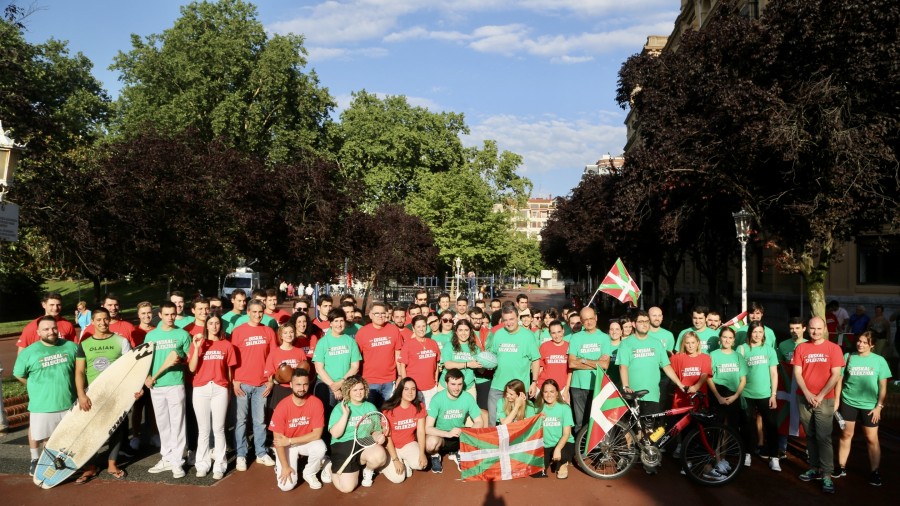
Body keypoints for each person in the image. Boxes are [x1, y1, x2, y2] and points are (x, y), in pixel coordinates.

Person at [74, 308, 133, 483]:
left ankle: (112, 464)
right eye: (98, 319)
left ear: (109, 320)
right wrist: (81, 394)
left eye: (105, 319)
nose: (102, 323)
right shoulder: (84, 344)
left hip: (116, 394)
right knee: (90, 431)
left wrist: (130, 392)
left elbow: (130, 368)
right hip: (93, 395)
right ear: (92, 322)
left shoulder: (121, 341)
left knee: (116, 429)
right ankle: (91, 466)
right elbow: (79, 371)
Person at [13, 316, 78, 475]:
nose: (51, 332)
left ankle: (59, 463)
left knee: (65, 437)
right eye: (46, 329)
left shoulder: (71, 347)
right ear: (38, 332)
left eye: (54, 328)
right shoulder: (29, 352)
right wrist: (35, 385)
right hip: (43, 405)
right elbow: (19, 374)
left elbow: (80, 371)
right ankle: (36, 460)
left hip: (69, 403)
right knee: (41, 436)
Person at [791, 316, 844, 494]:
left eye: (819, 329)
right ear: (807, 329)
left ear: (825, 330)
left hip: (825, 399)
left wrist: (820, 395)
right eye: (813, 329)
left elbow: (836, 375)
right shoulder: (801, 347)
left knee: (824, 437)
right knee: (810, 435)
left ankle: (827, 474)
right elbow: (797, 373)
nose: (816, 332)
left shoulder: (834, 348)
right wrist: (807, 393)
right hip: (804, 398)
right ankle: (814, 468)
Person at [833, 331, 890, 487]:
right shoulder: (848, 357)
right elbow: (839, 380)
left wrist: (879, 407)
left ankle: (875, 471)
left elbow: (883, 387)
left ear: (872, 345)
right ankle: (841, 467)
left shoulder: (879, 361)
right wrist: (837, 400)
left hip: (870, 406)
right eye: (859, 341)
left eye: (865, 342)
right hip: (848, 403)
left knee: (871, 438)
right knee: (845, 434)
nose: (860, 344)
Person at [144, 301, 192, 479]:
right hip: (156, 385)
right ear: (160, 315)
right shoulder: (151, 336)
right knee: (162, 423)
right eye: (167, 314)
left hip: (175, 383)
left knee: (177, 422)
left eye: (173, 314)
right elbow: (145, 360)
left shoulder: (183, 334)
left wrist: (182, 361)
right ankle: (166, 457)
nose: (170, 317)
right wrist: (147, 377)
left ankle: (178, 461)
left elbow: (190, 359)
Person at [187, 313, 237, 480]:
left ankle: (220, 465)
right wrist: (196, 347)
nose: (214, 326)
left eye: (217, 323)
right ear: (206, 325)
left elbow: (230, 372)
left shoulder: (227, 345)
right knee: (203, 430)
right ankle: (202, 464)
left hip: (220, 389)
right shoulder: (199, 343)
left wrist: (228, 391)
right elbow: (192, 368)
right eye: (211, 323)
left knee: (219, 429)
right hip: (200, 389)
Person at [231, 300, 277, 471]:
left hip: (261, 384)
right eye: (255, 312)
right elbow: (232, 359)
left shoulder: (268, 331)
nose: (258, 315)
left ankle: (260, 452)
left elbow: (273, 358)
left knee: (260, 421)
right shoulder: (238, 332)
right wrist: (235, 380)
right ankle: (241, 455)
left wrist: (270, 380)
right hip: (242, 383)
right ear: (248, 312)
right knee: (241, 421)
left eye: (260, 312)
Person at [269, 368, 327, 491]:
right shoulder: (282, 406)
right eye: (298, 385)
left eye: (305, 384)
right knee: (286, 487)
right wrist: (285, 467)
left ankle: (309, 473)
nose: (302, 388)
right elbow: (278, 441)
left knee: (321, 447)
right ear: (291, 385)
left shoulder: (316, 403)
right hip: (286, 446)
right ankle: (280, 465)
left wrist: (290, 440)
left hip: (299, 442)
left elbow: (317, 435)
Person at [618, 311, 686, 418]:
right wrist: (626, 385)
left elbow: (666, 366)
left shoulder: (657, 343)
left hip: (652, 394)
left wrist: (679, 383)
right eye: (641, 321)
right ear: (634, 324)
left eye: (646, 321)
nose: (644, 324)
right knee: (632, 431)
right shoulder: (626, 343)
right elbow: (623, 366)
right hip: (632, 394)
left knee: (649, 430)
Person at [326, 377, 388, 492]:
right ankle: (329, 468)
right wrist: (345, 414)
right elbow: (336, 434)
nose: (359, 393)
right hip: (343, 444)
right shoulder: (340, 408)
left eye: (361, 389)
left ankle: (368, 470)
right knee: (347, 488)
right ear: (348, 391)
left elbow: (375, 430)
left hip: (364, 441)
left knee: (380, 456)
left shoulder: (370, 407)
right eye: (355, 390)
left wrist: (378, 436)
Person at [487, 306, 540, 427]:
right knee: (493, 422)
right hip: (498, 386)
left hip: (518, 389)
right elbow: (493, 357)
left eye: (512, 319)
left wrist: (534, 382)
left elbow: (536, 359)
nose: (509, 322)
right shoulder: (498, 334)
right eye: (505, 320)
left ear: (518, 318)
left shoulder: (527, 335)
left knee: (517, 424)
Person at [738, 321, 780, 470]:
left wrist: (773, 394)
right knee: (747, 425)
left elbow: (774, 373)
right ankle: (747, 454)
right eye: (754, 332)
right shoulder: (742, 349)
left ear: (764, 334)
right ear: (750, 333)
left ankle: (774, 457)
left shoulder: (769, 350)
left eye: (760, 332)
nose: (757, 335)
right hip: (746, 394)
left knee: (771, 426)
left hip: (765, 394)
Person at [425, 368, 483, 473]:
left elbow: (479, 421)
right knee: (430, 443)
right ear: (446, 383)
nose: (456, 388)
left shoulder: (467, 397)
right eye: (453, 384)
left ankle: (460, 452)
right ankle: (435, 455)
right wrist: (447, 434)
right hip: (442, 436)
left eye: (459, 384)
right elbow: (428, 428)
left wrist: (466, 433)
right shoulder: (437, 399)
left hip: (459, 434)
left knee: (480, 434)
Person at [567, 307, 611, 434]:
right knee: (580, 423)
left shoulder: (604, 338)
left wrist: (583, 360)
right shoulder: (575, 338)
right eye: (585, 320)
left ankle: (595, 451)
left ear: (596, 318)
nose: (589, 322)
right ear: (581, 321)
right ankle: (580, 452)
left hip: (597, 386)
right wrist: (596, 362)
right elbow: (571, 363)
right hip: (578, 386)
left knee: (596, 421)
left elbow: (605, 365)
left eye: (591, 318)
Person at [312, 308, 362, 411]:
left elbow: (355, 367)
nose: (339, 324)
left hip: (346, 385)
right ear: (330, 323)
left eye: (341, 321)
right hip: (326, 385)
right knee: (326, 416)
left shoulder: (351, 342)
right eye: (336, 321)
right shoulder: (322, 342)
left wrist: (341, 383)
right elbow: (319, 368)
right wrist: (333, 386)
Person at [380, 377, 428, 483]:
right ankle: (382, 466)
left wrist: (422, 453)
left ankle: (405, 461)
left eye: (413, 389)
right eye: (406, 389)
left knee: (420, 464)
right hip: (391, 447)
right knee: (398, 479)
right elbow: (387, 437)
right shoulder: (389, 410)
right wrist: (395, 459)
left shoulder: (419, 406)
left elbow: (420, 432)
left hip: (408, 444)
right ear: (400, 390)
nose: (410, 392)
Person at [355, 302, 403, 408]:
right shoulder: (362, 332)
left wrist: (400, 375)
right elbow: (357, 358)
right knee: (371, 413)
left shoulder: (393, 329)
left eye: (382, 313)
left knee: (388, 411)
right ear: (371, 315)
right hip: (369, 381)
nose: (380, 316)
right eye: (377, 313)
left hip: (389, 381)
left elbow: (398, 355)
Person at [706, 327, 747, 440]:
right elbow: (709, 378)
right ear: (720, 339)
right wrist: (718, 397)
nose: (727, 340)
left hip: (734, 395)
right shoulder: (713, 355)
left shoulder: (738, 356)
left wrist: (735, 396)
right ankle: (715, 455)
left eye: (730, 338)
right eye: (724, 337)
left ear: (734, 340)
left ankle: (727, 453)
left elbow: (743, 379)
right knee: (717, 427)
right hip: (718, 394)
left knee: (732, 427)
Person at [264, 323, 310, 410]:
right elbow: (269, 374)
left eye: (291, 332)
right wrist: (280, 377)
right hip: (281, 390)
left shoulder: (299, 352)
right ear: (281, 336)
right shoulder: (274, 353)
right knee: (280, 417)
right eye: (285, 333)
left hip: (297, 389)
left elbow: (305, 371)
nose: (289, 335)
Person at [398, 315, 441, 407]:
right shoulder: (408, 344)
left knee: (430, 416)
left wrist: (436, 380)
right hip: (414, 389)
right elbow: (402, 366)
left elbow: (436, 364)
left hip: (431, 388)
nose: (421, 329)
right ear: (413, 328)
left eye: (423, 326)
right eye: (418, 326)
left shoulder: (433, 343)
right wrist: (406, 385)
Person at [535, 379, 574, 479]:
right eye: (546, 392)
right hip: (546, 444)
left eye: (552, 391)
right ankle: (550, 459)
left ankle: (562, 464)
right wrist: (537, 419)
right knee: (537, 473)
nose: (549, 395)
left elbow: (566, 434)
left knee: (562, 455)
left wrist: (557, 449)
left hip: (563, 443)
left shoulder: (565, 408)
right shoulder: (538, 408)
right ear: (542, 393)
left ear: (557, 393)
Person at [440, 320, 482, 400]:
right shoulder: (449, 345)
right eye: (460, 330)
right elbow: (448, 365)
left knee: (469, 412)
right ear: (456, 331)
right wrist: (467, 364)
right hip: (448, 387)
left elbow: (480, 369)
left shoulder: (476, 348)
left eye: (466, 330)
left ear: (470, 332)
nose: (463, 333)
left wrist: (487, 364)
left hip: (468, 387)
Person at [537, 320, 571, 403]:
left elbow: (571, 371)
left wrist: (566, 390)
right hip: (544, 387)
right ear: (550, 333)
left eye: (559, 332)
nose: (557, 336)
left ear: (563, 331)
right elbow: (539, 368)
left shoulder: (569, 346)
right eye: (553, 333)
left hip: (562, 388)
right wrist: (535, 385)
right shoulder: (544, 346)